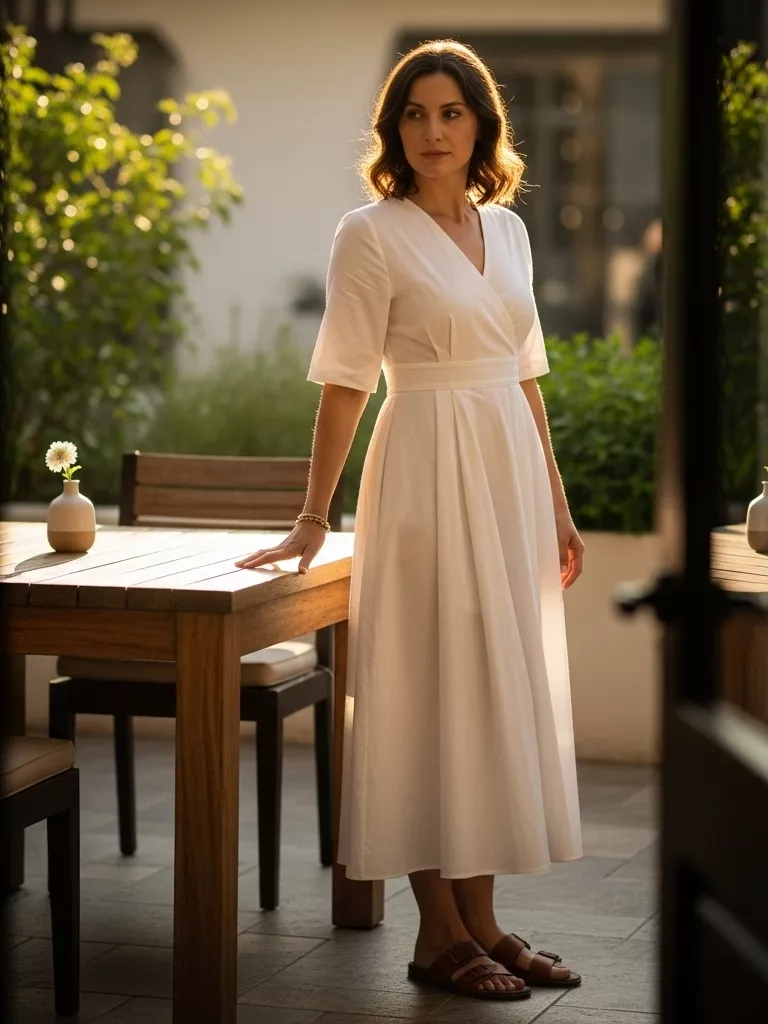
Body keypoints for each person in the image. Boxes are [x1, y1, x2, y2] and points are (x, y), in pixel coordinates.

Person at [235, 39, 585, 1001]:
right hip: (424, 468)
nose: (433, 132)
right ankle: (437, 934)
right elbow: (345, 382)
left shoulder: (506, 232)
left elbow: (526, 375)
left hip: (508, 472)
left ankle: (482, 919)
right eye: (416, 115)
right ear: (395, 129)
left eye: (452, 113)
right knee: (430, 684)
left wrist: (555, 502)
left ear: (481, 126)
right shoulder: (371, 232)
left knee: (488, 687)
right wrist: (314, 516)